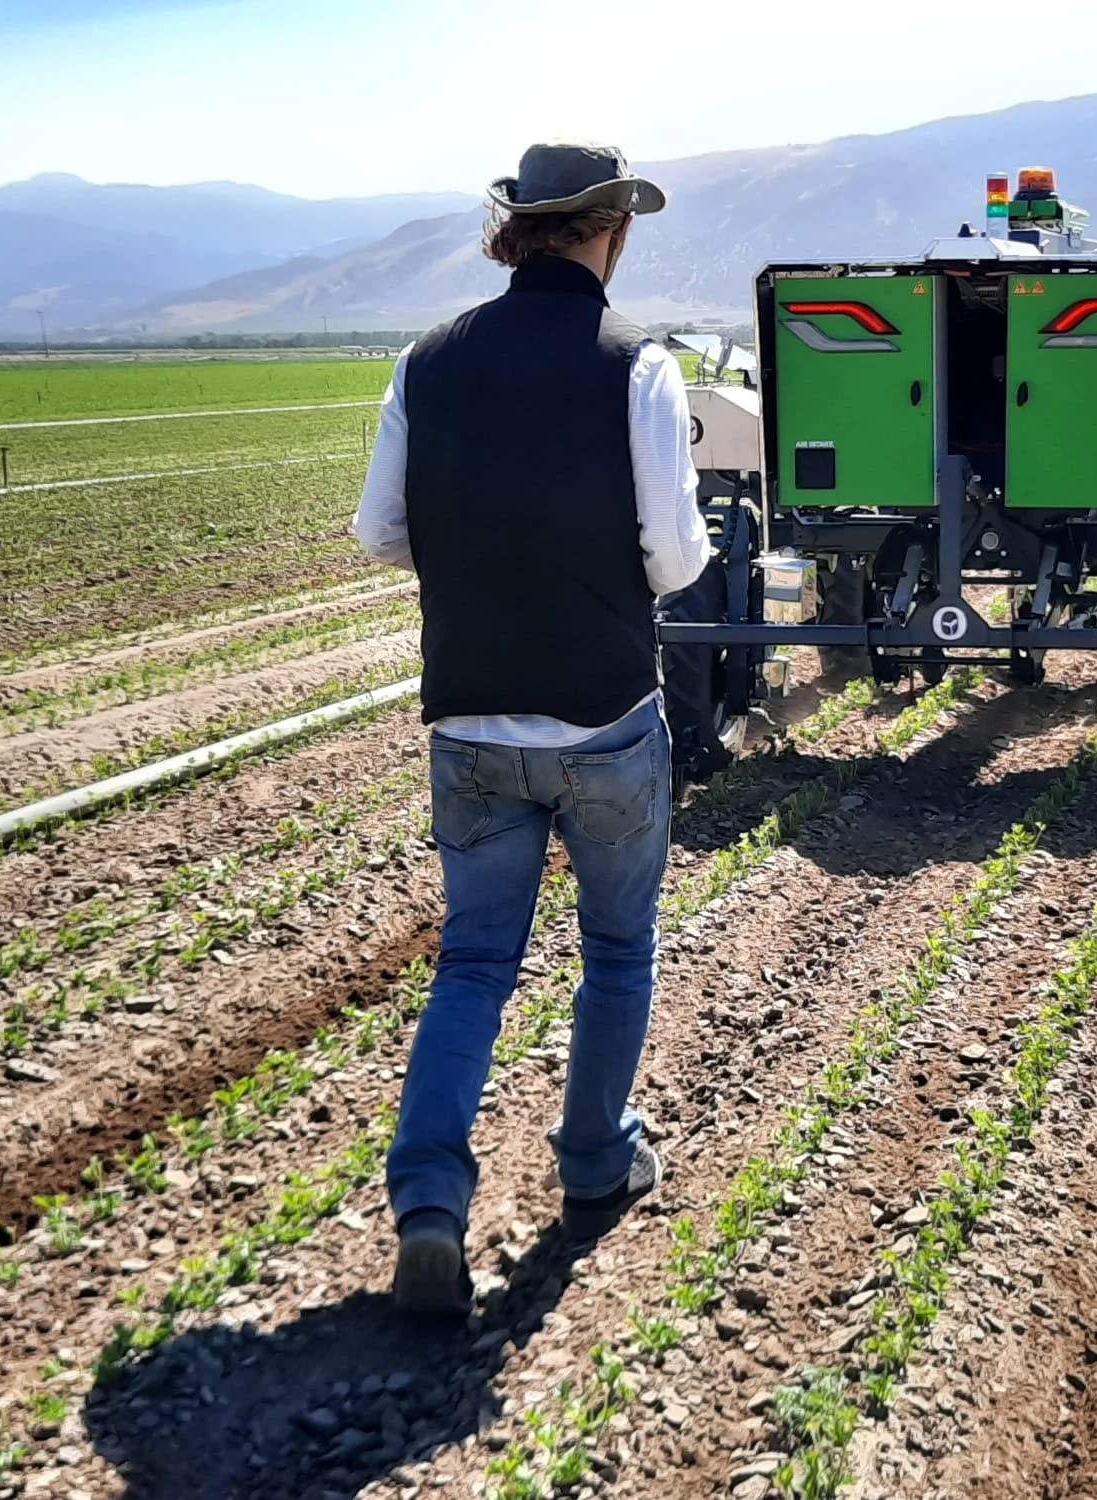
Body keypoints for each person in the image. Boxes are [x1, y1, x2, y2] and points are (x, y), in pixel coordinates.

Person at [352, 142, 710, 1314]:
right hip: (604, 715)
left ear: (518, 229)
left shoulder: (426, 361)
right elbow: (673, 556)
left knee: (470, 963)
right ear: (611, 229)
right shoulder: (636, 369)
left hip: (466, 717)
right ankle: (595, 1163)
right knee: (614, 951)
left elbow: (381, 532)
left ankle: (428, 1205)